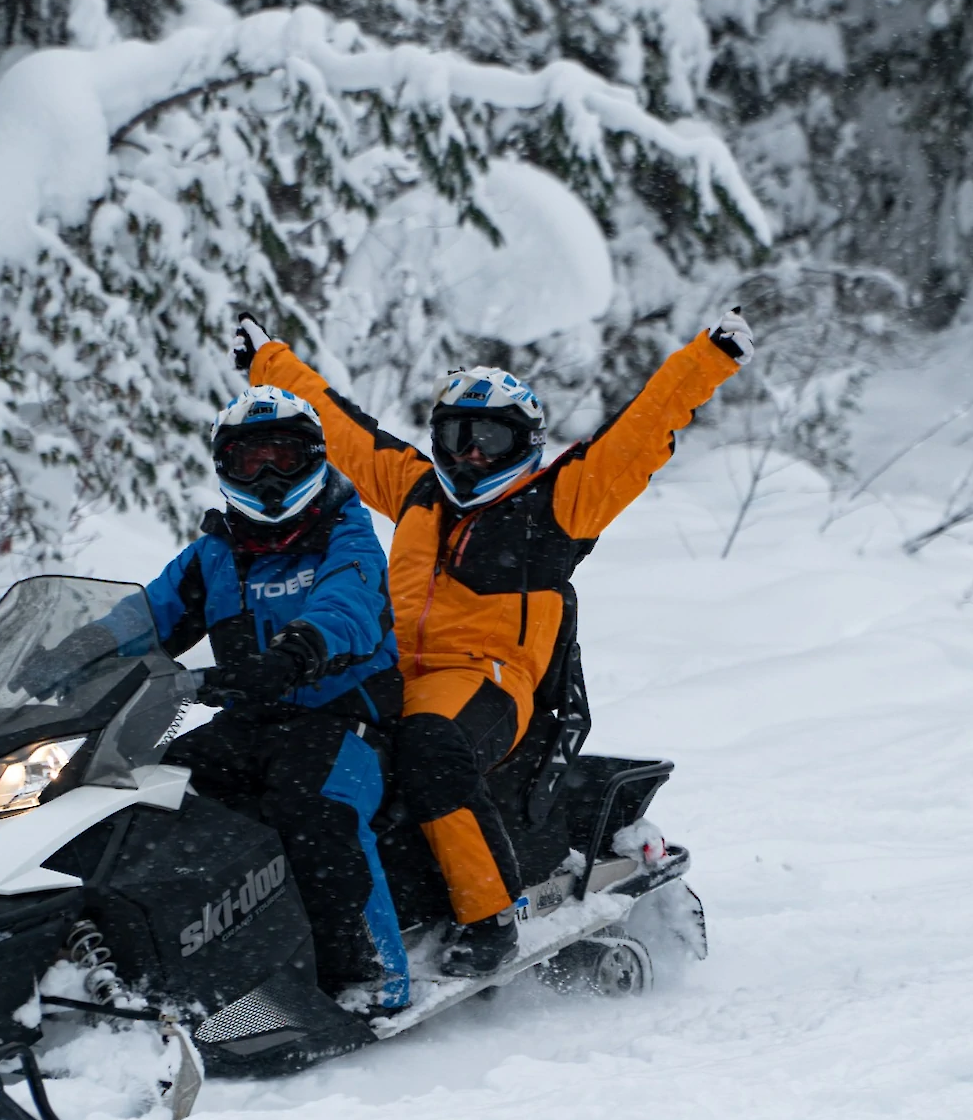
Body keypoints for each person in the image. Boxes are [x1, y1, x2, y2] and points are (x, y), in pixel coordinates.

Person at [227, 309, 755, 977]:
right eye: (456, 436)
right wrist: (267, 362)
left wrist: (707, 359)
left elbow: (641, 431)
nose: (470, 455)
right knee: (291, 738)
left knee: (428, 746)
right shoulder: (417, 488)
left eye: (490, 439)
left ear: (523, 444)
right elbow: (341, 429)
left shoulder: (556, 505)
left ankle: (490, 913)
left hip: (493, 684)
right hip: (398, 671)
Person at [142, 385, 411, 1011]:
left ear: (314, 457)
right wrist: (73, 654)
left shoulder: (346, 530)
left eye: (282, 458)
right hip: (255, 721)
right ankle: (183, 948)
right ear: (224, 468)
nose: (266, 475)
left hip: (350, 719)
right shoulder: (215, 552)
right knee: (155, 791)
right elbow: (147, 617)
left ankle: (371, 972)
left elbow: (348, 604)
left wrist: (297, 651)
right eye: (249, 460)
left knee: (316, 808)